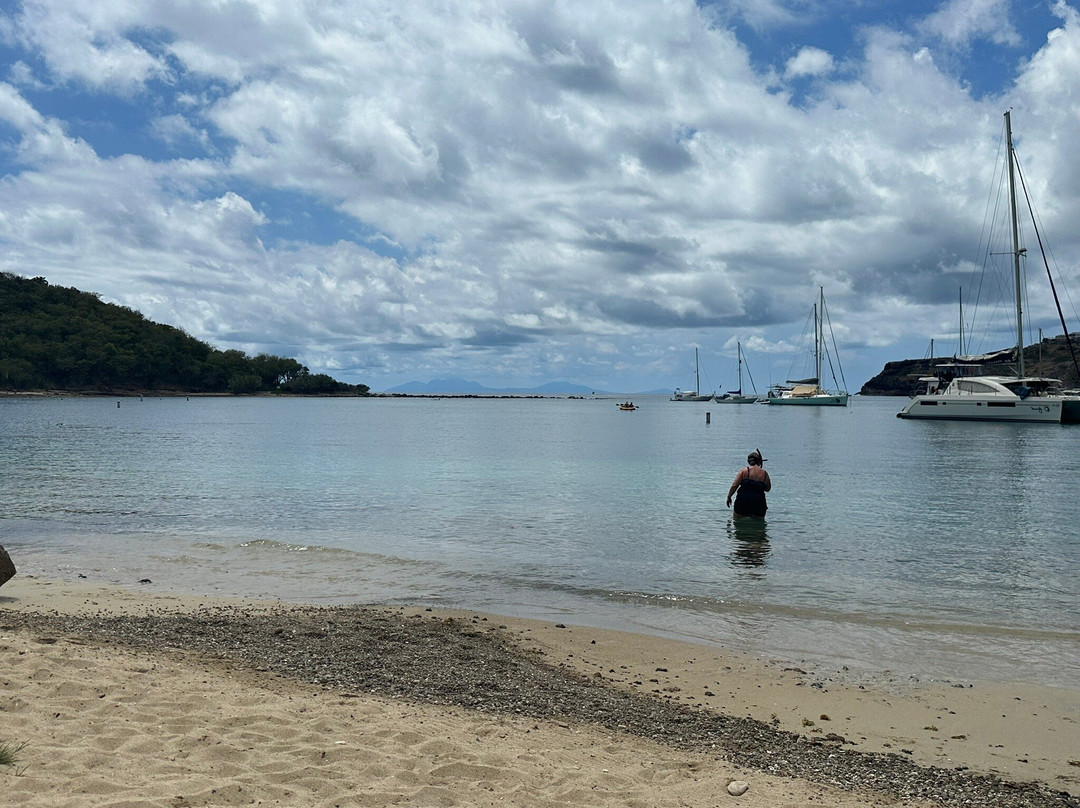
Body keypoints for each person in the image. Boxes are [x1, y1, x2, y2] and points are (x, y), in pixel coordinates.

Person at [725, 449, 771, 518]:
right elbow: (768, 488)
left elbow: (734, 485)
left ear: (748, 461)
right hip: (758, 505)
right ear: (759, 461)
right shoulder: (764, 474)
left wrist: (729, 497)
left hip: (743, 503)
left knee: (738, 525)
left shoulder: (743, 471)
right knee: (758, 527)